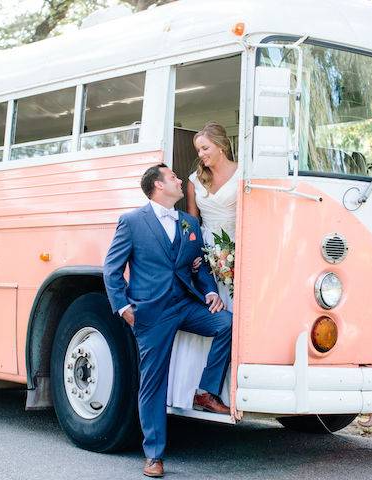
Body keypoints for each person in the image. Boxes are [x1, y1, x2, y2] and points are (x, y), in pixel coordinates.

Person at [103, 164, 233, 478]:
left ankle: (206, 390)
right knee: (153, 382)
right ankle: (154, 455)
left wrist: (210, 292)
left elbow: (198, 267)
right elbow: (112, 269)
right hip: (151, 313)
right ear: (158, 186)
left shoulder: (188, 222)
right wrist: (123, 308)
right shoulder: (132, 222)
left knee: (226, 323)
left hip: (186, 305)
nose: (179, 180)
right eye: (173, 177)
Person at [167, 122, 239, 409]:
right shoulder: (195, 179)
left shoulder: (243, 173)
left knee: (234, 316)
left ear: (221, 146)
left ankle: (224, 388)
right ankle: (194, 389)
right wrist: (193, 255)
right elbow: (191, 223)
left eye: (205, 148)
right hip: (207, 254)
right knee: (213, 312)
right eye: (198, 150)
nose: (202, 155)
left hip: (236, 249)